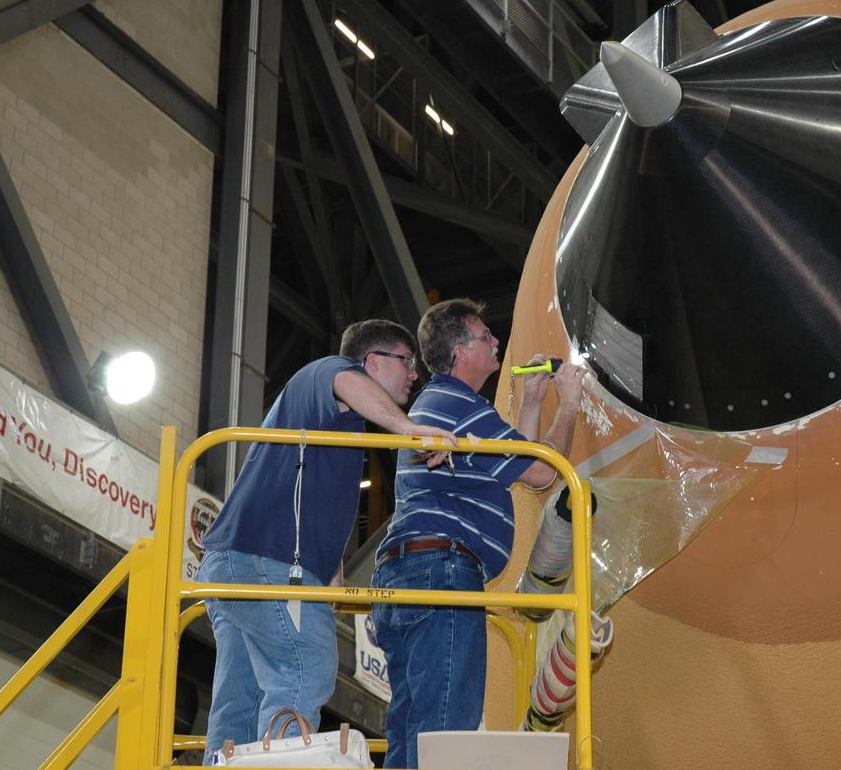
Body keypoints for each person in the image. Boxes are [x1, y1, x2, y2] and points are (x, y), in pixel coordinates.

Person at [196, 319, 454, 766]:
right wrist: (411, 429)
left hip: (233, 562)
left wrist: (330, 564)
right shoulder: (327, 373)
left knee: (239, 697)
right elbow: (343, 379)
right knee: (306, 665)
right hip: (270, 560)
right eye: (407, 362)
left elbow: (309, 493)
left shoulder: (332, 426)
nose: (415, 374)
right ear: (373, 361)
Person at [371, 298, 589, 769]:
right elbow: (541, 471)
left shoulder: (446, 406)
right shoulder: (457, 403)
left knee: (412, 733)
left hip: (407, 573)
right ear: (460, 352)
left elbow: (507, 471)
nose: (496, 342)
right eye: (485, 335)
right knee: (446, 729)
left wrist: (532, 403)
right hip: (441, 575)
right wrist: (567, 405)